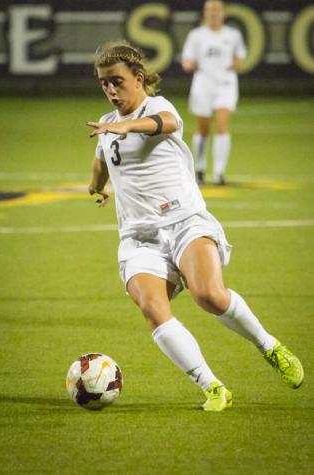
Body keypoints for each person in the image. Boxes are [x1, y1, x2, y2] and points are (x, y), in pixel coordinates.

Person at [87, 41, 304, 412]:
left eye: (117, 81)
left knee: (210, 296)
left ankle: (270, 346)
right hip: (139, 238)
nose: (110, 89)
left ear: (138, 79)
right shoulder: (108, 126)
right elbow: (102, 161)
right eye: (104, 83)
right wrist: (97, 186)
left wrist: (127, 125)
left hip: (184, 221)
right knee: (153, 308)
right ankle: (213, 386)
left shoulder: (157, 107)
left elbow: (164, 125)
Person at [181, 0, 247, 185]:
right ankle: (200, 168)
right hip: (203, 84)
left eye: (216, 9)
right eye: (209, 10)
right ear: (204, 13)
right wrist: (189, 64)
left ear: (223, 12)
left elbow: (240, 56)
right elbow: (187, 59)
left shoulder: (233, 35)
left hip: (225, 84)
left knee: (221, 126)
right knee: (202, 129)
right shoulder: (197, 35)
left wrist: (236, 64)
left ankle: (219, 172)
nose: (213, 13)